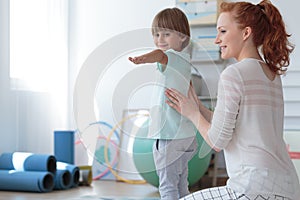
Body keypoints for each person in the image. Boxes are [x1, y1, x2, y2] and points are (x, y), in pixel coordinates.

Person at [165, 0, 300, 199]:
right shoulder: (272, 75)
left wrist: (192, 114)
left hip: (252, 188)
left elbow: (218, 141)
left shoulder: (234, 74)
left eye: (222, 31)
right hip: (288, 187)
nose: (216, 40)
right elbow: (238, 125)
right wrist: (199, 108)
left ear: (246, 33)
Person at [128, 8, 198, 200]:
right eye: (157, 34)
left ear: (183, 38)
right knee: (182, 184)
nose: (161, 39)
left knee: (167, 187)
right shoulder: (185, 60)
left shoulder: (171, 57)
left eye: (167, 34)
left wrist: (143, 59)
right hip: (187, 136)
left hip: (169, 136)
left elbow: (159, 55)